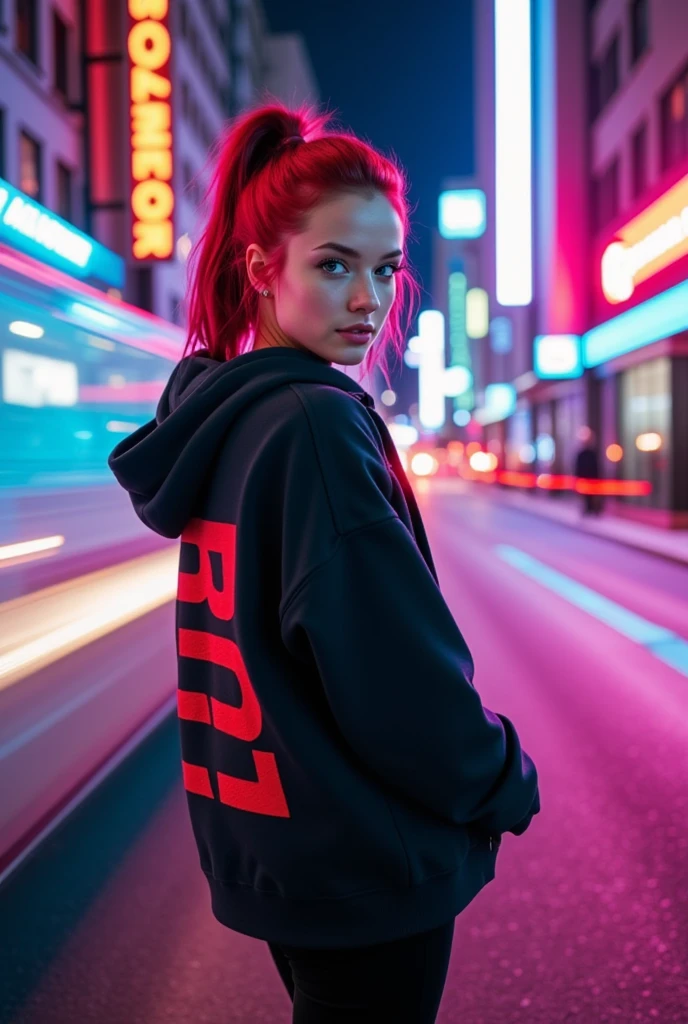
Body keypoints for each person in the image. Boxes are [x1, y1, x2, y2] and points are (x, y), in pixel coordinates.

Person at [108, 101, 540, 1024]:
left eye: (384, 269)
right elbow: (395, 678)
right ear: (263, 269)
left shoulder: (224, 419)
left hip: (283, 853)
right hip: (363, 865)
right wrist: (502, 775)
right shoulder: (313, 423)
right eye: (334, 265)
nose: (368, 300)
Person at [574, 427, 603, 516]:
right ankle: (587, 510)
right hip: (584, 479)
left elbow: (596, 467)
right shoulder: (581, 454)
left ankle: (593, 510)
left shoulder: (592, 453)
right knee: (585, 496)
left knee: (592, 496)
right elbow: (578, 467)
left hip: (592, 479)